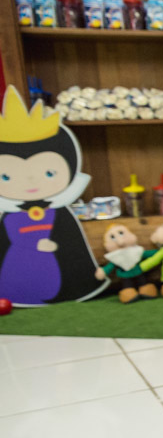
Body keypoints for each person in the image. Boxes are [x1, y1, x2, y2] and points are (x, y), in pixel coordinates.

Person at [0, 86, 107, 306]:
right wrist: (30, 246)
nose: (30, 182)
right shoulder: (10, 216)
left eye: (49, 173)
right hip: (19, 263)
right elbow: (10, 236)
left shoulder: (61, 213)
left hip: (60, 265)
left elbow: (74, 244)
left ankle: (75, 288)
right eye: (6, 177)